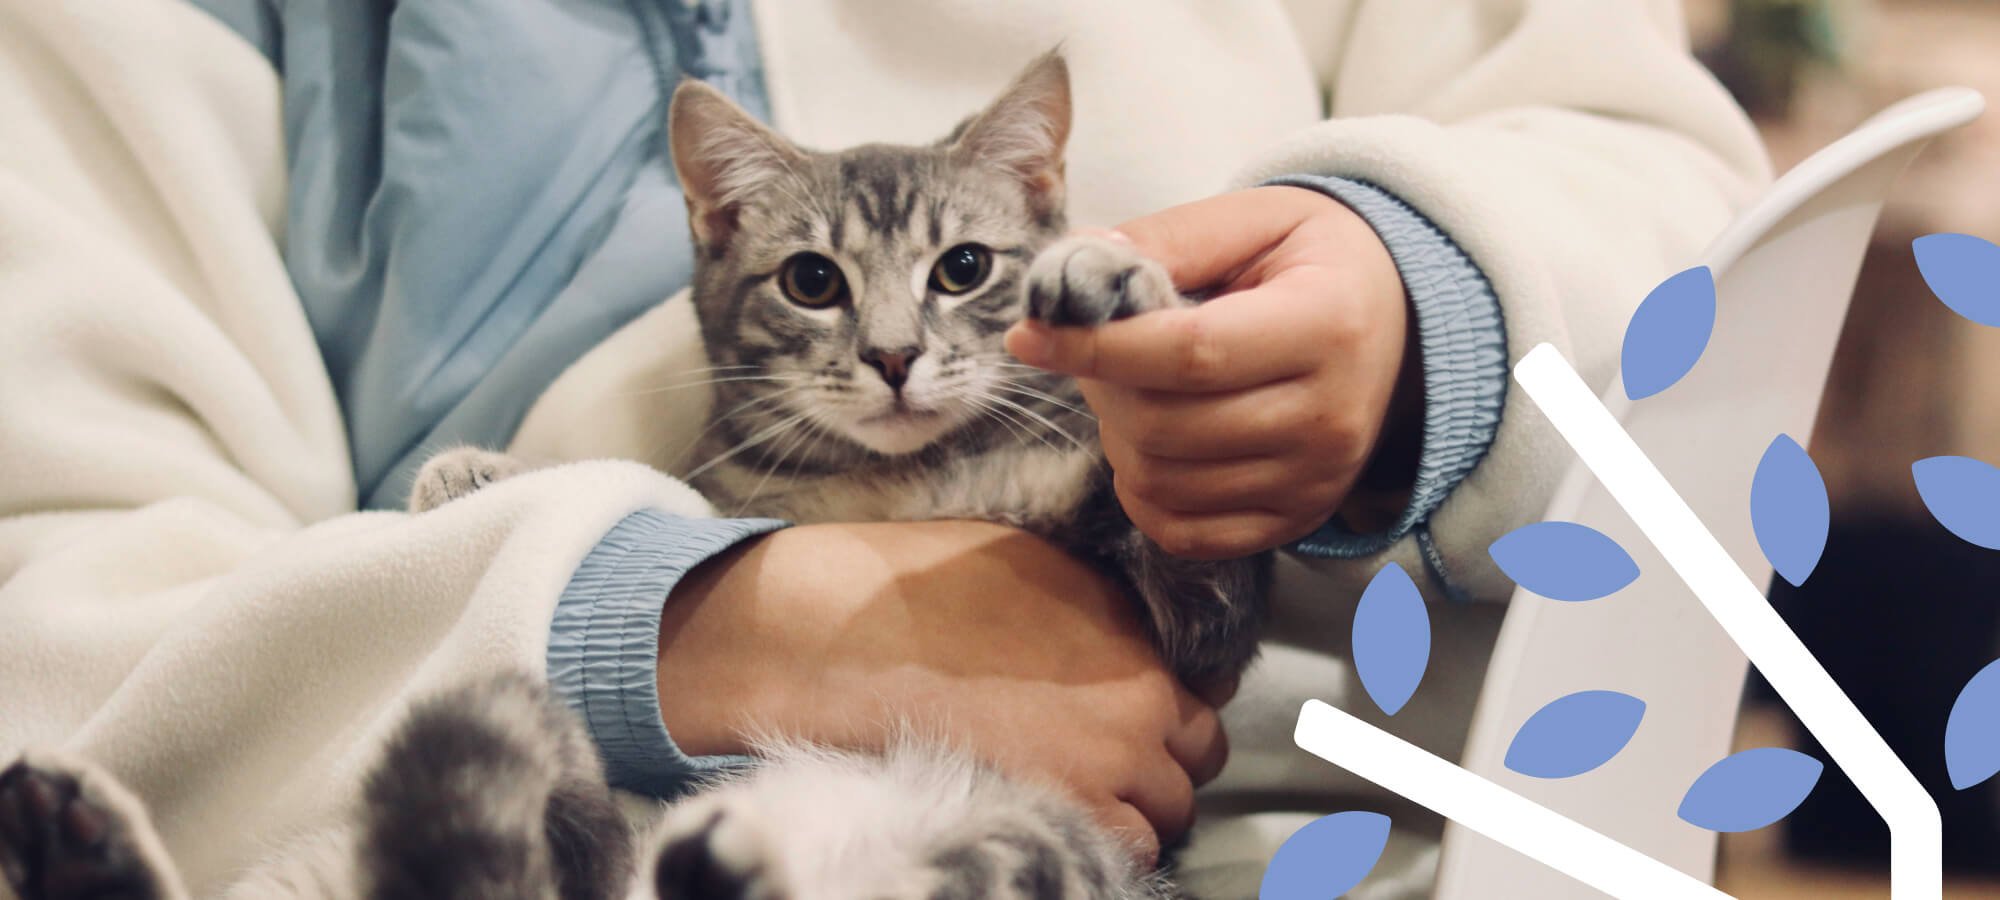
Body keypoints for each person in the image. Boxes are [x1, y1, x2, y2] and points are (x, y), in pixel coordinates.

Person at [0, 0, 1768, 896]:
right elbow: (58, 590)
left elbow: (1664, 182)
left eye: (968, 285)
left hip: (1311, 823)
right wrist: (673, 621)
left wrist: (1416, 292)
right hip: (505, 790)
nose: (910, 351)